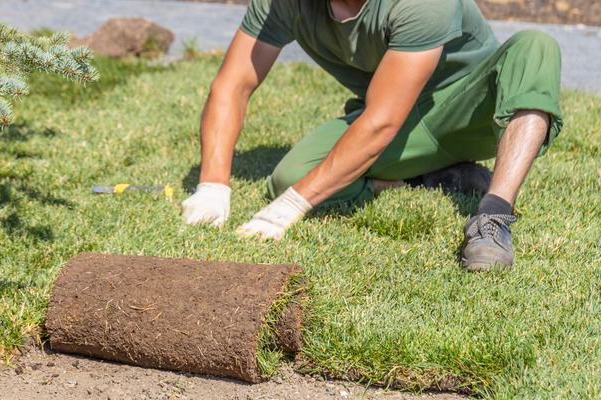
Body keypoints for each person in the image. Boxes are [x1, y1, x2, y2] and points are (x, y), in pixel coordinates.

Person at [180, 0, 563, 271]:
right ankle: (433, 177)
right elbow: (233, 84)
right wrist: (212, 185)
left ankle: (493, 218)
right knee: (290, 177)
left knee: (536, 47)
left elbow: (382, 122)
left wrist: (290, 208)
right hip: (399, 116)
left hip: (472, 112)